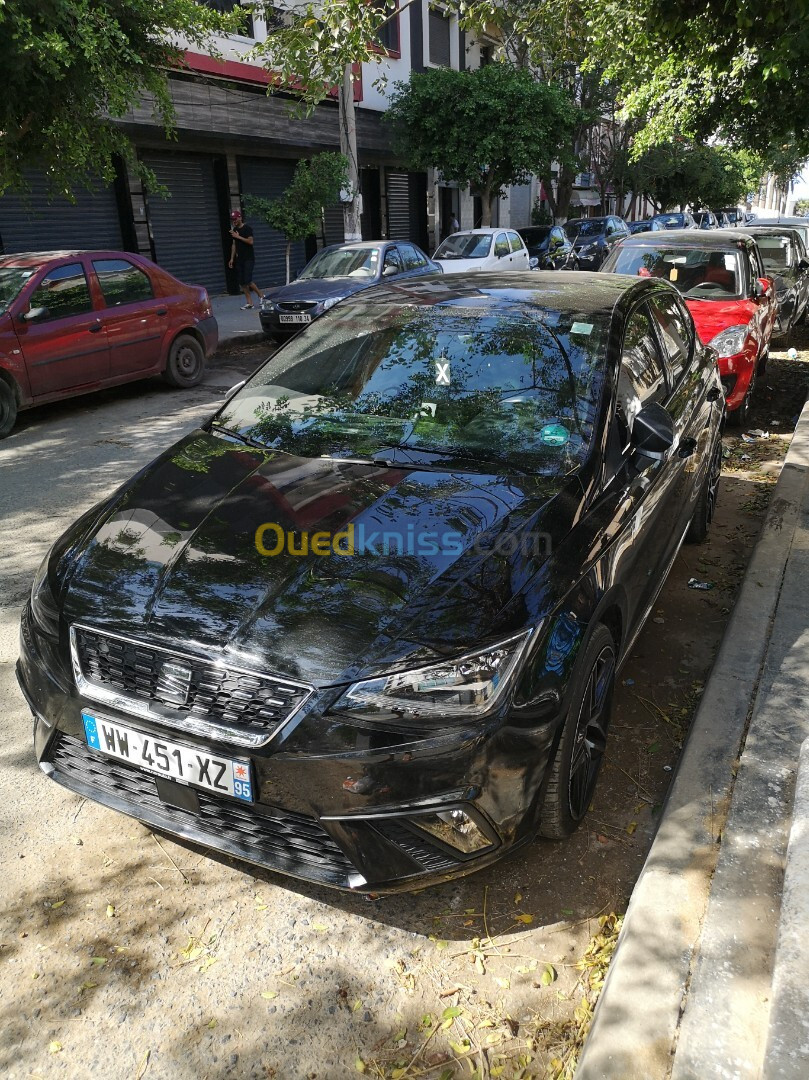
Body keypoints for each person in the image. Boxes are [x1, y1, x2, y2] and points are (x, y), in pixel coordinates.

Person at [228, 210, 262, 310]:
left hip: (249, 258)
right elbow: (234, 245)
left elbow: (250, 241)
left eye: (235, 219)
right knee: (242, 282)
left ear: (240, 218)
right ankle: (249, 303)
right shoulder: (234, 229)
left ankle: (261, 295)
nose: (234, 221)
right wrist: (231, 258)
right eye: (232, 219)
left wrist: (238, 236)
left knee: (248, 280)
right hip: (240, 259)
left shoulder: (247, 228)